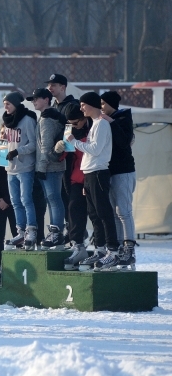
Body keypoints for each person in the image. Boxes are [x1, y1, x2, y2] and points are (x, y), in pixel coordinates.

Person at [66, 92, 120, 271]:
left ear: (92, 105)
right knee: (94, 215)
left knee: (104, 212)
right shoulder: (95, 124)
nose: (81, 108)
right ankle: (100, 249)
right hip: (89, 173)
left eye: (83, 105)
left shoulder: (102, 124)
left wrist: (74, 142)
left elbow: (95, 150)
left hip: (98, 172)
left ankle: (113, 251)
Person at [100, 91, 137, 269]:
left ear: (111, 104)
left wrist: (112, 123)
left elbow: (124, 141)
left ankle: (129, 249)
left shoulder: (122, 118)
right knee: (114, 212)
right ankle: (120, 248)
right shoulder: (104, 120)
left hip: (124, 171)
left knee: (124, 211)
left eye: (103, 104)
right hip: (110, 171)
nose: (101, 107)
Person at [27, 88, 67, 249]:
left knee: (54, 198)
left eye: (36, 99)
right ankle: (55, 230)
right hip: (51, 165)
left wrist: (41, 168)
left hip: (51, 166)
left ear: (46, 99)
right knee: (52, 199)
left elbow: (46, 146)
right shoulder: (45, 117)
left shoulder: (47, 119)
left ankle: (56, 231)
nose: (33, 102)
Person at [2, 91, 38, 249]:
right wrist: (2, 157)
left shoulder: (28, 120)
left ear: (16, 104)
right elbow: (3, 142)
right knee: (15, 202)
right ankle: (20, 231)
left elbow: (33, 143)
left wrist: (18, 151)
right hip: (10, 169)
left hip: (25, 167)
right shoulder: (6, 121)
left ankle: (31, 229)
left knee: (25, 199)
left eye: (8, 104)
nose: (6, 107)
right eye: (4, 104)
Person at [47, 73, 79, 241]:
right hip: (55, 159)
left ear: (63, 87)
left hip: (69, 158)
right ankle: (68, 228)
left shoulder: (72, 106)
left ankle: (74, 230)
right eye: (49, 84)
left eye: (54, 84)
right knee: (57, 196)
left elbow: (71, 130)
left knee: (69, 195)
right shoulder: (52, 107)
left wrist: (62, 147)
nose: (50, 87)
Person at [58, 107, 91, 270]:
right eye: (70, 124)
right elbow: (65, 154)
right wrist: (60, 149)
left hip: (91, 177)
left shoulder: (92, 129)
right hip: (75, 179)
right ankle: (78, 245)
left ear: (84, 119)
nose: (73, 126)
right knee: (73, 210)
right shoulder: (71, 132)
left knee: (97, 214)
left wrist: (73, 142)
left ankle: (105, 248)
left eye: (75, 123)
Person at [0, 125, 18, 285]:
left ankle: (18, 266)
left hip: (13, 201)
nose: (3, 137)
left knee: (17, 233)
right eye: (1, 134)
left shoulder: (16, 154)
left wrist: (7, 199)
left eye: (6, 134)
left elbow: (17, 180)